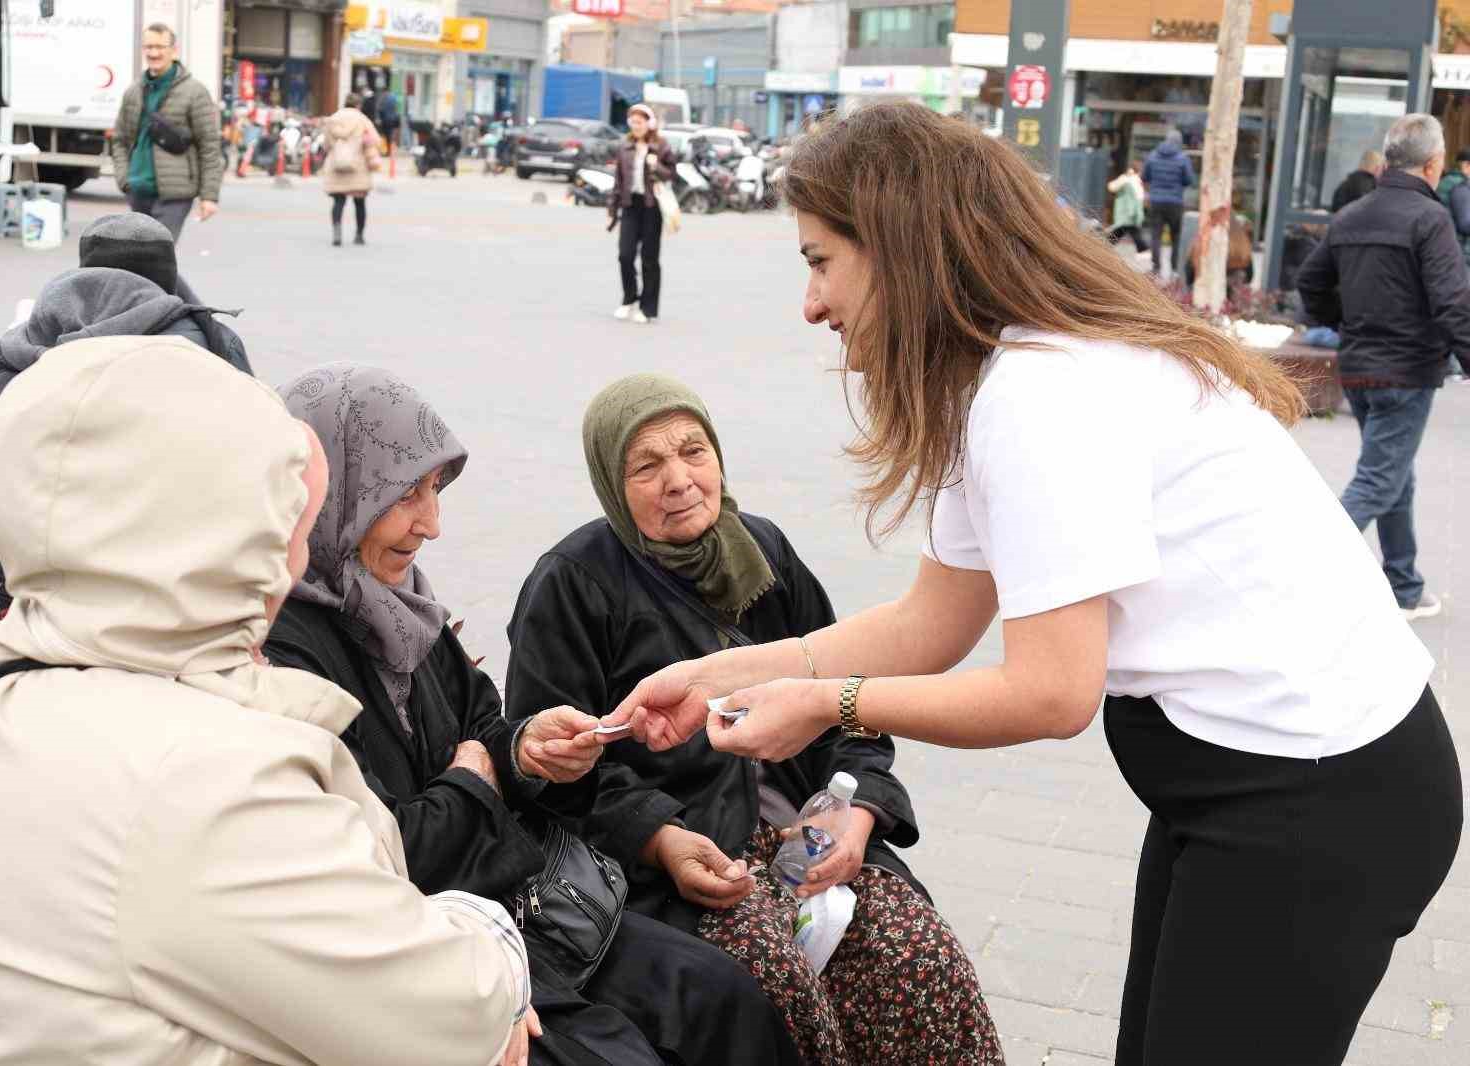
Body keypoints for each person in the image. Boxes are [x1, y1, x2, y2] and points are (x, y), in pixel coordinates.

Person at [602, 103, 1462, 1066]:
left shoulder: (1039, 394)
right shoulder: (1008, 373)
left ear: (899, 248)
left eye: (819, 260)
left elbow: (1052, 693)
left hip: (1317, 799)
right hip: (1253, 787)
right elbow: (932, 624)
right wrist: (720, 676)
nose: (810, 303)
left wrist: (824, 704)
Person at [0, 338, 531, 1066]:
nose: (295, 548)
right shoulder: (208, 778)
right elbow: (452, 1018)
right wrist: (484, 929)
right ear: (229, 526)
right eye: (285, 506)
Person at [266, 364, 803, 1066]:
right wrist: (476, 783)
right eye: (404, 496)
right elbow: (378, 855)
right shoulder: (286, 653)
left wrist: (523, 750)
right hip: (434, 950)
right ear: (331, 497)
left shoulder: (396, 605)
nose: (431, 524)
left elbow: (483, 729)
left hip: (535, 906)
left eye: (434, 491)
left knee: (727, 1001)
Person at [505, 373, 1004, 1066]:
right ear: (610, 483)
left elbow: (851, 703)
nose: (679, 479)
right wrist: (659, 839)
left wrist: (857, 814)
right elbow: (553, 769)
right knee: (771, 982)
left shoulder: (763, 553)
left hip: (808, 838)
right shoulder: (572, 584)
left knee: (917, 955)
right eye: (647, 465)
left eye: (694, 451)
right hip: (683, 864)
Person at [0, 213, 252, 602]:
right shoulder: (211, 348)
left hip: (21, 581)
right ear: (167, 272)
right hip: (157, 586)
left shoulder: (16, 347)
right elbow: (245, 478)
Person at [1298, 113, 1470, 622]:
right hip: (1406, 370)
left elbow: (1310, 282)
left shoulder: (1351, 215)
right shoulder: (1429, 218)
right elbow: (1452, 302)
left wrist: (1342, 322)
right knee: (1379, 477)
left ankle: (1405, 585)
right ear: (1434, 164)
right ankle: (1296, 578)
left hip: (1360, 370)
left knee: (1395, 473)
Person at [111, 23, 223, 239]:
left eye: (160, 47)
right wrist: (124, 178)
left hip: (176, 193)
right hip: (138, 188)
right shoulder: (134, 91)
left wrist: (209, 196)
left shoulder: (195, 92)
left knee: (158, 254)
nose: (154, 53)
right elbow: (119, 139)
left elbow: (209, 145)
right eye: (148, 47)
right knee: (142, 258)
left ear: (173, 50)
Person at [607, 103, 676, 324]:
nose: (636, 126)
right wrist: (612, 209)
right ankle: (629, 298)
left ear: (649, 123)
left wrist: (656, 166)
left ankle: (647, 308)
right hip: (630, 205)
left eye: (640, 121)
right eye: (632, 122)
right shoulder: (625, 146)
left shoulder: (661, 146)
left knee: (649, 258)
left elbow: (672, 174)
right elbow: (618, 181)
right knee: (624, 255)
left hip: (651, 207)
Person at [322, 92, 384, 247]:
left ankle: (337, 233)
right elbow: (376, 141)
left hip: (337, 165)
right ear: (358, 105)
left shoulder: (334, 119)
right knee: (359, 202)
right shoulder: (362, 120)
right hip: (359, 165)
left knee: (338, 201)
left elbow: (326, 145)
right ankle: (359, 235)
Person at [1141, 130, 1194, 277]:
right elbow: (1189, 180)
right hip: (1175, 202)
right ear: (1179, 142)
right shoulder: (1183, 158)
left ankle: (1156, 267)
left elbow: (1144, 176)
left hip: (1156, 201)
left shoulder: (1152, 156)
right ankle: (1174, 269)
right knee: (1176, 235)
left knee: (1155, 235)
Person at [1436, 145, 1470, 267]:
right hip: (1459, 253)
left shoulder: (1446, 181)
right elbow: (1465, 224)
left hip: (1446, 249)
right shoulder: (1460, 185)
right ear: (1466, 166)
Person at [1106, 164, 1148, 254]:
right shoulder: (1137, 181)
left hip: (1127, 212)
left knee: (1124, 230)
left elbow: (1111, 187)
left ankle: (1105, 246)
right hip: (1132, 213)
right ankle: (1143, 250)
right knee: (1125, 230)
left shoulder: (1127, 180)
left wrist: (1123, 177)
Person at [1331, 150, 1384, 214]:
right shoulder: (1369, 185)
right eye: (1382, 168)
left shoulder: (1348, 182)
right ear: (1377, 168)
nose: (1382, 172)